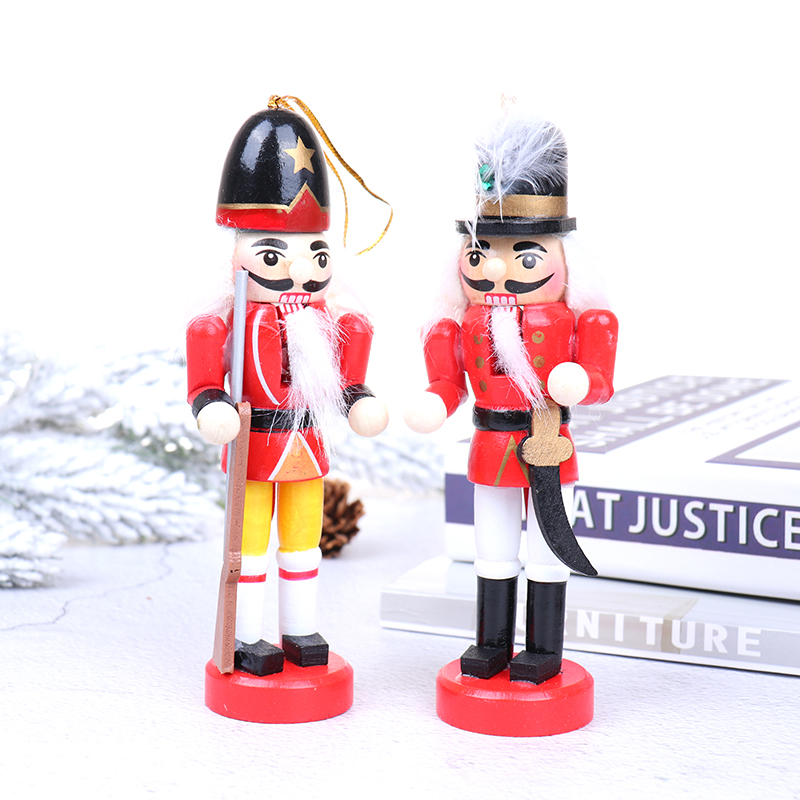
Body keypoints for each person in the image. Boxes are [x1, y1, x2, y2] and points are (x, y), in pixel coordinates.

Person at [405, 109, 618, 685]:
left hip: (550, 444)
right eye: (480, 254)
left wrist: (579, 381)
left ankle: (544, 649)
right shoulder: (457, 324)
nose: (497, 270)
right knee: (493, 550)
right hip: (491, 446)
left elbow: (600, 379)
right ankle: (491, 643)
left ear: (565, 260)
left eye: (525, 256)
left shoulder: (584, 320)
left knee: (548, 554)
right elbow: (447, 383)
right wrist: (434, 403)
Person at [188, 104, 388, 679]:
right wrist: (210, 404)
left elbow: (348, 378)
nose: (300, 270)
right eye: (274, 254)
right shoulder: (223, 321)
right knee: (249, 547)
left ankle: (300, 629)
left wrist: (358, 399)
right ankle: (248, 637)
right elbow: (205, 380)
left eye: (315, 253)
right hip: (253, 449)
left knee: (303, 542)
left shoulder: (335, 320)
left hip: (306, 446)